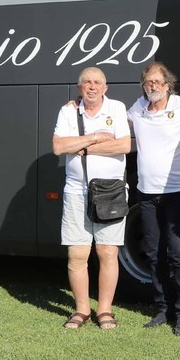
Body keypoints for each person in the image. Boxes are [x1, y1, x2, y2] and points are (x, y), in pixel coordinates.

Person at [52, 66, 132, 330]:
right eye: (87, 82)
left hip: (110, 191)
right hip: (76, 191)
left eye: (97, 82)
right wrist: (95, 137)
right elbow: (58, 147)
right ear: (80, 88)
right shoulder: (68, 111)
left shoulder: (117, 108)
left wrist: (80, 145)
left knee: (108, 252)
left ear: (105, 88)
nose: (92, 86)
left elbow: (124, 145)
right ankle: (82, 309)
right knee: (77, 254)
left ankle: (105, 310)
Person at [126, 62, 180, 337]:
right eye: (148, 82)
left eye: (157, 82)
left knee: (179, 254)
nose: (152, 86)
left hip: (178, 193)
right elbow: (114, 122)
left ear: (168, 84)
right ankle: (161, 309)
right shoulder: (138, 109)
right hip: (146, 195)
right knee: (154, 253)